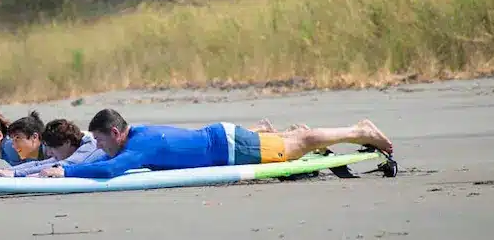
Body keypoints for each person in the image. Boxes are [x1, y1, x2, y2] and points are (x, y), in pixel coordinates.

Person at [37, 108, 393, 179]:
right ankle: (278, 132)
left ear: (116, 133)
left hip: (231, 148)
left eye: (100, 139)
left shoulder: (137, 147)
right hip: (222, 137)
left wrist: (65, 172)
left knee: (298, 144)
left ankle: (358, 130)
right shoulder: (139, 133)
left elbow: (113, 169)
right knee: (291, 140)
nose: (98, 145)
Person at [0, 118, 106, 177]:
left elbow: (63, 165)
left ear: (67, 142)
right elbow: (41, 164)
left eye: (52, 148)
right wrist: (8, 171)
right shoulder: (70, 148)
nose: (49, 152)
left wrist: (16, 174)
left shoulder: (88, 148)